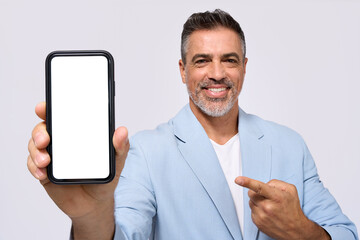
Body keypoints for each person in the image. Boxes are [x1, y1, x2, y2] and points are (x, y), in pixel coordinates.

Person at [27, 9, 358, 240]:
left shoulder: (289, 144)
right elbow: (126, 234)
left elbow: (345, 233)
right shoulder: (146, 150)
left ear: (244, 67)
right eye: (202, 61)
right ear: (183, 70)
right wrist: (90, 216)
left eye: (229, 60)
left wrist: (303, 231)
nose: (216, 73)